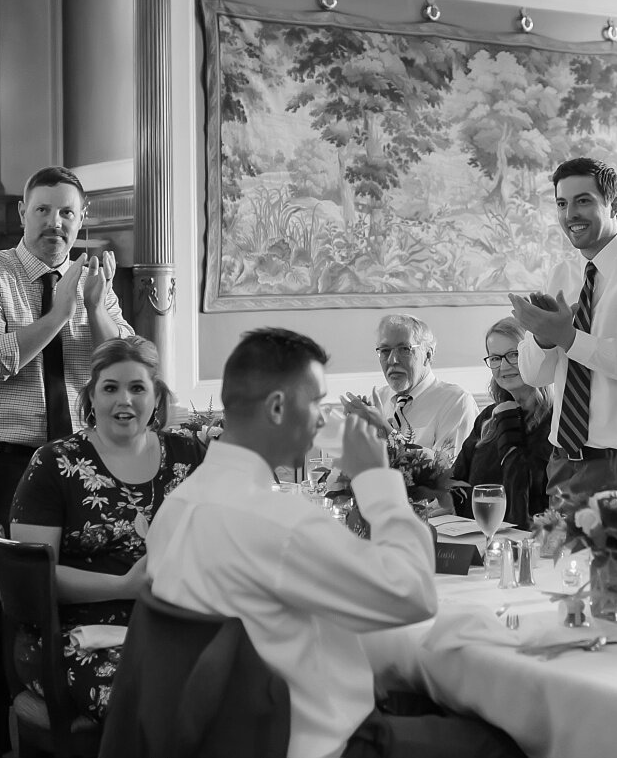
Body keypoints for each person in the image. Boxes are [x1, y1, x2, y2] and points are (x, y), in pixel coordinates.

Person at [146, 328, 524, 758]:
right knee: (499, 743)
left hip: (223, 733)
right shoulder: (280, 522)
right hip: (311, 740)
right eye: (315, 404)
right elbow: (413, 594)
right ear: (277, 409)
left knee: (417, 698)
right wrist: (374, 478)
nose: (323, 420)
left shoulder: (175, 509)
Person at [0, 165, 134, 758]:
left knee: (73, 599)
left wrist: (98, 310)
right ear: (22, 215)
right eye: (44, 211)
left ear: (83, 220)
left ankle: (64, 729)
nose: (57, 223)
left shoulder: (93, 280)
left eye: (68, 213)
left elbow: (130, 369)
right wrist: (56, 315)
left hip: (74, 468)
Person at [8, 337, 203, 722]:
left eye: (137, 388)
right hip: (72, 636)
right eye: (110, 388)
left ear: (157, 397)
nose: (124, 401)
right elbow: (27, 579)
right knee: (155, 701)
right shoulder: (55, 464)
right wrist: (123, 586)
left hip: (173, 624)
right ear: (91, 397)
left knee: (255, 680)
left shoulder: (188, 454)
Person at [509, 157, 617, 495]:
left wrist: (570, 338)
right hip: (563, 464)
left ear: (614, 205)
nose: (570, 214)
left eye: (583, 201)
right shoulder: (562, 274)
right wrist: (545, 340)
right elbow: (535, 377)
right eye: (562, 203)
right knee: (557, 552)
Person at [450, 317, 553, 528]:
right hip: (475, 537)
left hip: (531, 541)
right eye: (495, 358)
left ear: (534, 355)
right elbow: (456, 483)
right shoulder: (488, 418)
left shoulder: (556, 419)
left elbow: (528, 498)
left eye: (514, 355)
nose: (503, 366)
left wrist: (508, 425)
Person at [370, 314, 477, 459]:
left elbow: (446, 470)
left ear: (428, 355)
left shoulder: (457, 401)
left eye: (404, 349)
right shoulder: (377, 400)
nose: (392, 360)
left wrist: (387, 432)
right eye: (385, 351)